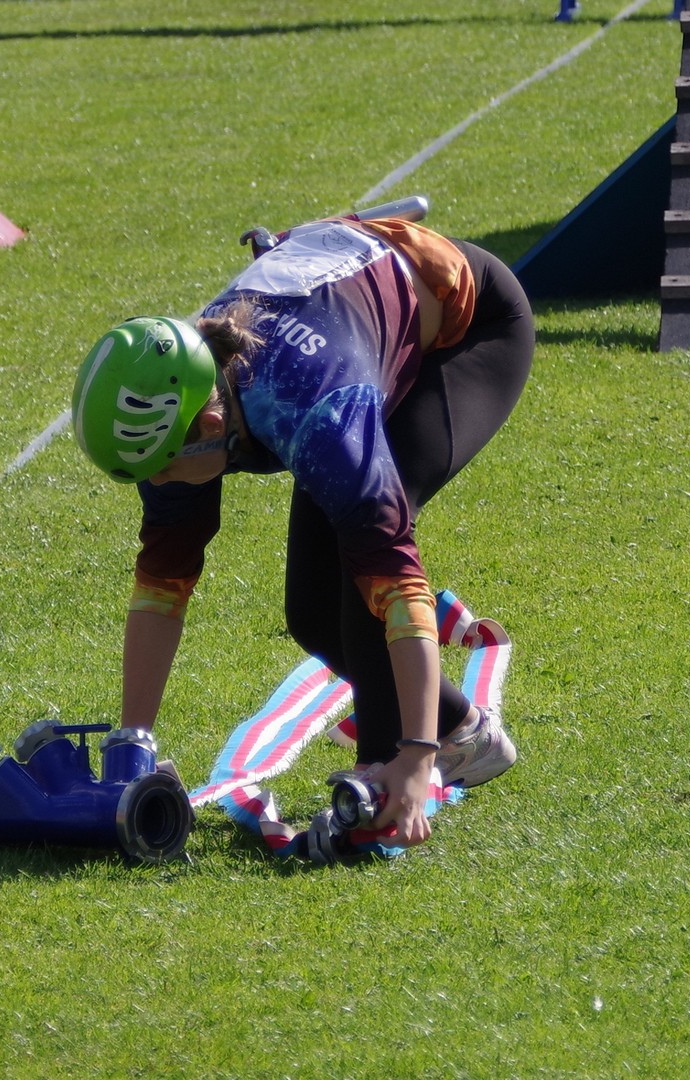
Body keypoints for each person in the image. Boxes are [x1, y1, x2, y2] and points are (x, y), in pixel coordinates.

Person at [70, 212, 534, 848]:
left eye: (164, 469)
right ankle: (467, 735)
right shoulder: (192, 410)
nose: (160, 486)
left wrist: (414, 757)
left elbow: (400, 586)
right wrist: (134, 745)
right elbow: (161, 588)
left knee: (363, 578)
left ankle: (392, 773)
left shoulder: (317, 410)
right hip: (340, 322)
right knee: (312, 614)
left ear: (210, 426)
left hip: (467, 328)